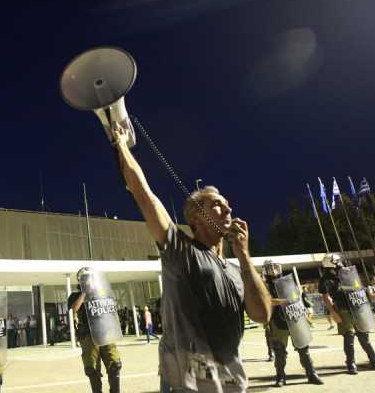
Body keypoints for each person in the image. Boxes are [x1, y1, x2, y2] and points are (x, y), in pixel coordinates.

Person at [112, 123, 271, 392]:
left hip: (231, 372)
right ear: (197, 217)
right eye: (217, 205)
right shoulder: (181, 250)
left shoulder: (235, 269)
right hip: (189, 375)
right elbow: (143, 193)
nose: (227, 209)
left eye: (228, 205)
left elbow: (262, 314)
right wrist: (121, 146)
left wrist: (244, 256)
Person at [318, 254, 375, 375]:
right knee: (349, 336)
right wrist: (333, 313)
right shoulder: (325, 279)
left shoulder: (347, 273)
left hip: (356, 307)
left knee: (363, 335)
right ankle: (350, 363)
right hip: (342, 309)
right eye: (336, 261)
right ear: (329, 263)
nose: (339, 262)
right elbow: (325, 298)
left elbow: (357, 288)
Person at [262, 260, 323, 387]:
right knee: (280, 352)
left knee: (303, 348)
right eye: (270, 268)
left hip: (294, 318)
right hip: (277, 321)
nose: (274, 270)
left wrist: (303, 312)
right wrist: (282, 301)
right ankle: (281, 377)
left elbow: (296, 298)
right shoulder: (264, 285)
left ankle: (311, 374)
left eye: (275, 267)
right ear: (266, 270)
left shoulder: (287, 282)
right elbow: (266, 300)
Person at [68, 268, 122, 393]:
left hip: (106, 332)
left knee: (115, 365)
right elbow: (74, 308)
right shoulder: (75, 295)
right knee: (92, 369)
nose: (88, 280)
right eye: (86, 278)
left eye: (90, 277)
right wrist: (85, 293)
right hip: (88, 335)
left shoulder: (101, 292)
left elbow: (111, 307)